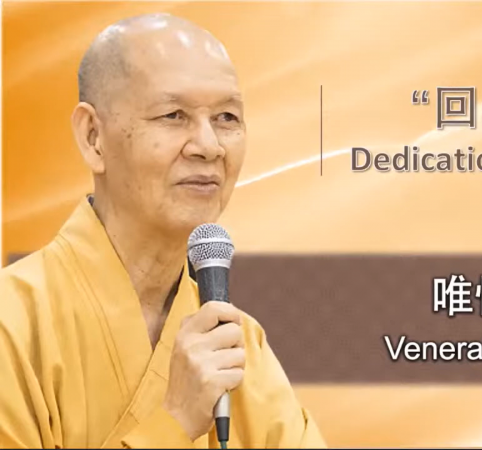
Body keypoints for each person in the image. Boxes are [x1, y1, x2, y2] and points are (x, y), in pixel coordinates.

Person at [0, 13, 326, 448]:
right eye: (173, 115)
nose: (209, 146)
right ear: (94, 137)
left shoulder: (236, 344)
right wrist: (175, 421)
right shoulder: (12, 323)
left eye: (227, 117)